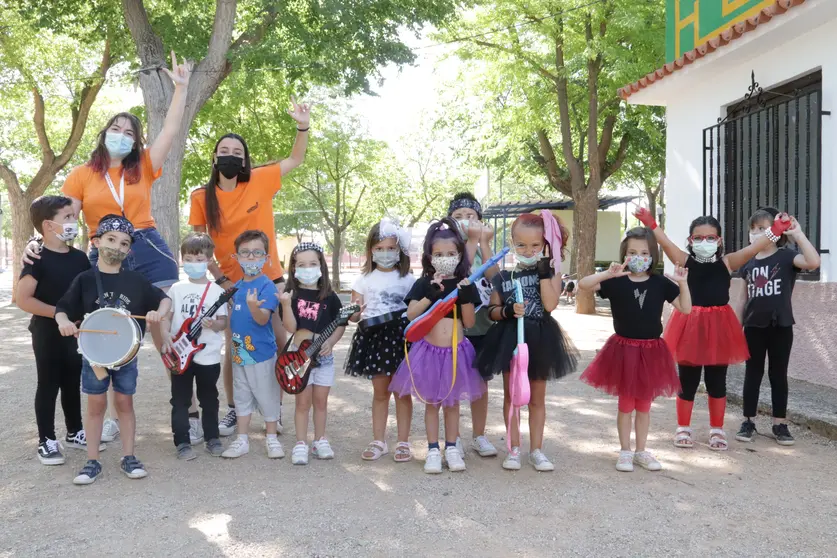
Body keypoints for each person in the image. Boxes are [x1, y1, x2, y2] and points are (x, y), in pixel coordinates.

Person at [22, 52, 192, 444]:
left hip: (147, 246)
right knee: (111, 331)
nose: (123, 135)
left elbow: (169, 129)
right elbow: (62, 217)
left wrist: (181, 89)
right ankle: (114, 415)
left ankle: (188, 410)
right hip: (105, 252)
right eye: (116, 128)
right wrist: (38, 238)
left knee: (165, 326)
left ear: (136, 142)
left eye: (130, 132)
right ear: (104, 134)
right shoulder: (82, 174)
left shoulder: (145, 165)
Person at [189, 98, 310, 436]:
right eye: (225, 150)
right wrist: (223, 280)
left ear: (245, 160)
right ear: (215, 157)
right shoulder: (201, 197)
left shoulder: (260, 179)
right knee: (236, 344)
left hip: (269, 278)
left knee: (278, 339)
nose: (231, 155)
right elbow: (201, 249)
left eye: (238, 152)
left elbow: (296, 158)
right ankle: (234, 409)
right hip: (231, 283)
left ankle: (276, 409)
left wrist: (302, 125)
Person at [635, 208, 793, 451]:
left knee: (717, 381)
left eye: (710, 237)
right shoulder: (684, 260)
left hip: (719, 328)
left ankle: (717, 430)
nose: (704, 242)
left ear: (719, 240)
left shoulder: (728, 262)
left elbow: (754, 247)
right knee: (687, 381)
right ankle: (683, 427)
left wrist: (775, 231)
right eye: (698, 238)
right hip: (689, 325)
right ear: (690, 240)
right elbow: (665, 242)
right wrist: (651, 223)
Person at [55, 215, 171, 485]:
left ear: (129, 250)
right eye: (110, 240)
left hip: (126, 356)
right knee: (96, 406)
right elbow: (63, 309)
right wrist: (64, 323)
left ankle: (129, 456)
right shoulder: (84, 279)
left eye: (123, 243)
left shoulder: (136, 280)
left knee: (124, 403)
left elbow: (164, 300)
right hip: (94, 356)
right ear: (96, 242)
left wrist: (158, 313)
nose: (116, 247)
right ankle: (92, 461)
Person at [578, 227, 690, 473]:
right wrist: (607, 273)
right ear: (624, 254)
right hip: (624, 350)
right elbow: (583, 285)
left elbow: (685, 308)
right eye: (632, 252)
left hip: (651, 351)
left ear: (653, 255)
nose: (639, 256)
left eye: (644, 252)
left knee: (644, 406)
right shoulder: (615, 282)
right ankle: (625, 451)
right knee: (625, 404)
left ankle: (641, 450)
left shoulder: (661, 283)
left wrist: (683, 284)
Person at [477, 211, 579, 472]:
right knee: (512, 397)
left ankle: (536, 450)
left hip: (541, 338)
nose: (528, 250)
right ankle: (513, 449)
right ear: (512, 243)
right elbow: (492, 310)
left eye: (535, 245)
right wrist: (508, 312)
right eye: (521, 244)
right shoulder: (505, 277)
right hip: (510, 338)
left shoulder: (552, 272)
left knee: (536, 398)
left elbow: (550, 304)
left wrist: (545, 269)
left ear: (545, 245)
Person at [388, 218, 485, 474]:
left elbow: (470, 321)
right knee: (432, 403)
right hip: (428, 353)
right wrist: (430, 295)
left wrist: (464, 298)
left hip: (457, 353)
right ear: (430, 257)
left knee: (452, 404)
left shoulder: (466, 283)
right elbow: (410, 315)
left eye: (451, 253)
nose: (445, 258)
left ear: (460, 255)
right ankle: (432, 449)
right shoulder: (423, 283)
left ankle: (452, 447)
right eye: (439, 254)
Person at [17, 196, 99, 465]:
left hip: (76, 332)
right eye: (67, 217)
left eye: (74, 217)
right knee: (48, 383)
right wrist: (58, 314)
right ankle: (46, 440)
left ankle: (74, 431)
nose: (73, 222)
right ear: (48, 225)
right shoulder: (36, 258)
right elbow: (24, 299)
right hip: (46, 332)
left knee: (72, 382)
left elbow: (88, 293)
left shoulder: (79, 258)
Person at [735, 208, 820, 446]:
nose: (757, 234)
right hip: (752, 326)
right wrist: (734, 328)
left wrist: (798, 234)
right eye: (753, 230)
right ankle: (748, 421)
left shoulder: (785, 256)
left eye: (762, 228)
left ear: (775, 232)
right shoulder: (748, 263)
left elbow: (813, 262)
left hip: (781, 325)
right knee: (752, 373)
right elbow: (742, 299)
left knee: (778, 374)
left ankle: (779, 424)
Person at [345, 219, 416, 462]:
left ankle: (403, 442)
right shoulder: (363, 280)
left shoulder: (409, 280)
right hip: (374, 339)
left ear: (400, 251)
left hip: (402, 339)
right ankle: (379, 440)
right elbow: (355, 315)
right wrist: (354, 311)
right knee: (380, 392)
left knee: (403, 393)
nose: (385, 253)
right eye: (379, 248)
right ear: (370, 250)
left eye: (391, 248)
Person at [279, 243, 346, 465]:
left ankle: (320, 440)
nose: (307, 268)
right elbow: (290, 327)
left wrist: (332, 342)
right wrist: (287, 305)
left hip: (324, 359)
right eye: (301, 264)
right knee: (302, 403)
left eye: (313, 264)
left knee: (321, 402)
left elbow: (340, 323)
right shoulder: (292, 295)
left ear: (321, 266)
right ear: (294, 268)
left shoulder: (330, 297)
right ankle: (300, 443)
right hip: (299, 357)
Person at [220, 230, 284, 460]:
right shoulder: (236, 288)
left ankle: (272, 438)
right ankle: (242, 439)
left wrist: (254, 307)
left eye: (257, 253)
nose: (251, 258)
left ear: (266, 258)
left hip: (262, 354)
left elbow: (263, 319)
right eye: (245, 253)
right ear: (236, 257)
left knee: (267, 395)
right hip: (239, 354)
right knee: (242, 396)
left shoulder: (267, 287)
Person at [164, 233, 228, 460]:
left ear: (209, 260)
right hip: (180, 354)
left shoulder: (217, 292)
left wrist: (215, 324)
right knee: (180, 399)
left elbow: (223, 322)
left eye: (199, 259)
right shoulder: (176, 289)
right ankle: (182, 441)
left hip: (208, 355)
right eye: (189, 259)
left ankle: (213, 437)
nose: (194, 263)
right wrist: (165, 338)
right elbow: (167, 317)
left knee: (209, 398)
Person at [448, 193, 499, 458]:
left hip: (483, 326)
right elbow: (460, 271)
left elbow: (494, 276)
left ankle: (479, 435)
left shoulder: (484, 244)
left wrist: (484, 243)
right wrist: (470, 241)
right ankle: (452, 437)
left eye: (471, 216)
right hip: (455, 326)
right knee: (453, 382)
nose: (465, 221)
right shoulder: (447, 246)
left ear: (480, 219)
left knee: (481, 382)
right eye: (458, 217)